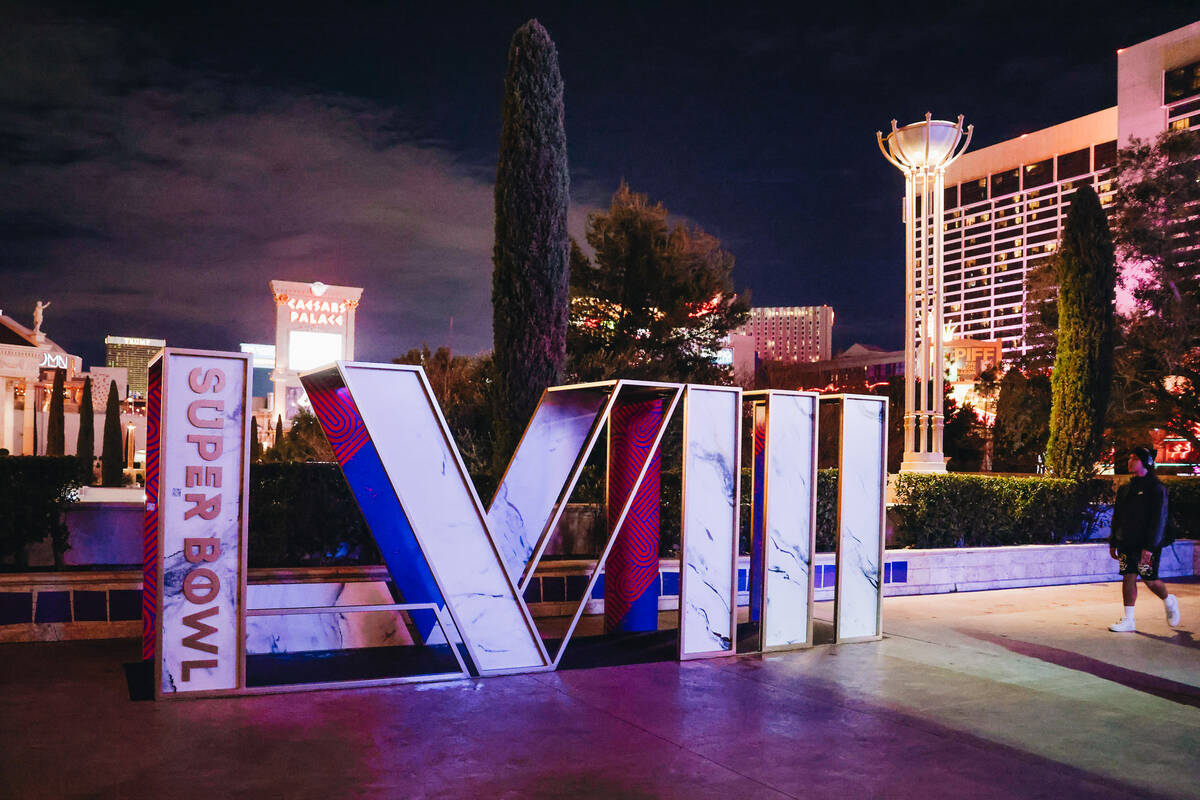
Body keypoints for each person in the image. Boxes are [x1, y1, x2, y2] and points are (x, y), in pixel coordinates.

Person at [1108, 446, 1181, 632]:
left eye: (1135, 458)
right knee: (1128, 577)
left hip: (1147, 544)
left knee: (1150, 580)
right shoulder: (1126, 489)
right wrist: (1113, 542)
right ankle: (1129, 619)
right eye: (1130, 458)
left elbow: (1159, 519)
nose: (1130, 461)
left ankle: (1168, 600)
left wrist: (1149, 547)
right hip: (1126, 542)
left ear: (1146, 462)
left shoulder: (1156, 489)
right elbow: (1117, 516)